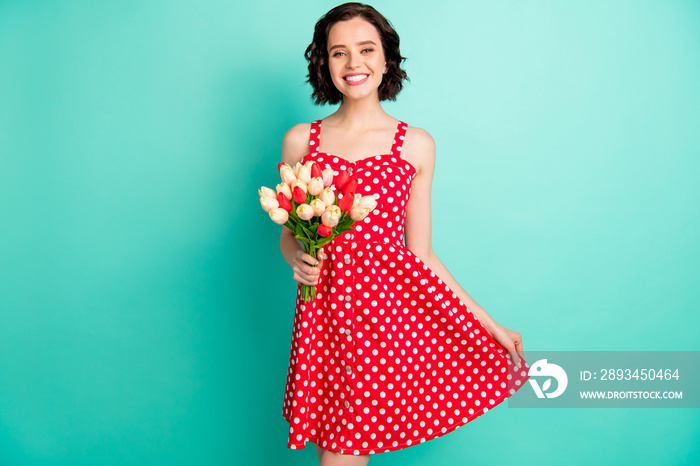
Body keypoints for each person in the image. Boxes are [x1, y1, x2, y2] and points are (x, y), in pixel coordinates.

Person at [278, 3, 530, 465]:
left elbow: (422, 254)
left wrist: (489, 324)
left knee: (343, 457)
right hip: (324, 320)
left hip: (388, 325)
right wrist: (296, 257)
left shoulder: (416, 145)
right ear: (323, 62)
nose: (354, 63)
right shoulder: (300, 140)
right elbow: (288, 233)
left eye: (366, 49)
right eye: (338, 53)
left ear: (387, 58)